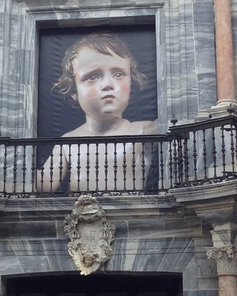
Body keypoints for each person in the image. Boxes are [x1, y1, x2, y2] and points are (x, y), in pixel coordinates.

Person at [37, 32, 158, 192]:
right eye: (92, 77)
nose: (108, 84)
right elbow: (46, 184)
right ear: (74, 91)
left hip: (131, 213)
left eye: (118, 74)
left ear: (131, 81)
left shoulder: (144, 131)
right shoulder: (68, 141)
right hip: (80, 214)